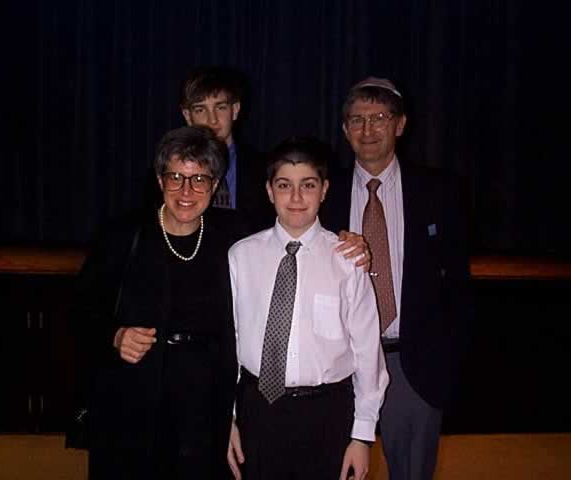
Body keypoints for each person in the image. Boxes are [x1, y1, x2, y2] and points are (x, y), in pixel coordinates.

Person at [320, 77, 473, 480]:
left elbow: (458, 287)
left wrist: (448, 358)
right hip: (342, 366)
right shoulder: (321, 195)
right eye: (357, 120)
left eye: (380, 118)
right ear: (344, 129)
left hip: (413, 364)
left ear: (400, 124)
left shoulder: (439, 191)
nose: (367, 130)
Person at [76, 125, 239, 479]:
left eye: (199, 179)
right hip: (131, 398)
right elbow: (81, 312)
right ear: (159, 179)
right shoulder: (122, 235)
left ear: (214, 185)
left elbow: (294, 227)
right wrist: (115, 336)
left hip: (203, 403)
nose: (186, 190)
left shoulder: (233, 240)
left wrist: (345, 240)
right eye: (176, 176)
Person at [227, 137, 389, 480]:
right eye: (285, 186)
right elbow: (230, 343)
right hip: (258, 409)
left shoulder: (347, 260)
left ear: (325, 190)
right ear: (270, 191)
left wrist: (361, 435)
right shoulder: (241, 256)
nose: (296, 198)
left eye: (308, 186)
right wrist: (228, 418)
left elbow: (367, 351)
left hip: (328, 412)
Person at [179, 65, 273, 230]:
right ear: (188, 116)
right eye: (201, 110)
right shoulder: (169, 176)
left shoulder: (266, 168)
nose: (212, 119)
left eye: (220, 107)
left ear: (235, 110)